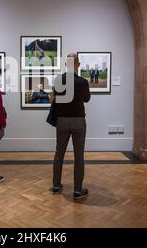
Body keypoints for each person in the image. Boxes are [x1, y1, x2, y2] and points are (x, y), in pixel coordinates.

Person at [51, 53, 91, 200]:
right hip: (78, 121)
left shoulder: (58, 80)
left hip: (62, 121)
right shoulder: (83, 82)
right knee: (79, 156)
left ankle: (56, 185)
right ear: (78, 65)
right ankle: (78, 190)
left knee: (59, 154)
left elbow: (54, 97)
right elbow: (86, 99)